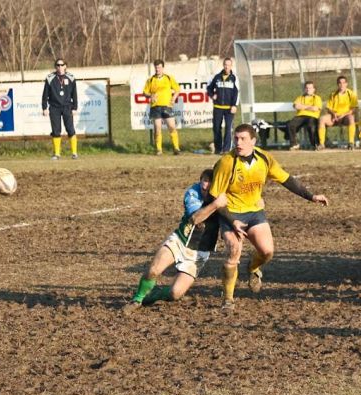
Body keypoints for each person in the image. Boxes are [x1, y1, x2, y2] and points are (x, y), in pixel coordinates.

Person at [209, 124, 329, 311]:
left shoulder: (264, 158)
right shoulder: (226, 162)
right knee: (234, 251)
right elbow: (215, 197)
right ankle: (228, 299)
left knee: (267, 252)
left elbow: (286, 179)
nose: (238, 143)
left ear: (253, 141)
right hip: (231, 213)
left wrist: (311, 196)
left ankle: (252, 267)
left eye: (243, 139)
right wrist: (233, 221)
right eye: (236, 138)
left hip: (254, 211)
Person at [122, 169, 227, 314]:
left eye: (209, 182)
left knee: (175, 294)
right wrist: (216, 205)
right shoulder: (193, 192)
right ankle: (137, 300)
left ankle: (152, 295)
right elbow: (196, 218)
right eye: (204, 180)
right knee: (153, 270)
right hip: (179, 241)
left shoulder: (226, 198)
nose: (205, 185)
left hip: (199, 253)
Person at [42, 58, 78, 160]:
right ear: (55, 67)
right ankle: (57, 154)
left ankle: (74, 153)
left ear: (65, 66)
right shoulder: (50, 78)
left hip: (67, 107)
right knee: (56, 131)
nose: (60, 67)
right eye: (58, 65)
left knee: (70, 130)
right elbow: (45, 95)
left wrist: (75, 107)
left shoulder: (71, 78)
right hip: (54, 108)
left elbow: (74, 94)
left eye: (62, 65)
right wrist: (44, 107)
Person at [143, 59, 181, 155]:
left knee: (172, 127)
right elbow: (145, 92)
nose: (157, 69)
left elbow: (177, 89)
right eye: (156, 68)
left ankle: (176, 148)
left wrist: (173, 98)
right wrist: (150, 96)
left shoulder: (168, 78)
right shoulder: (151, 80)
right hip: (155, 107)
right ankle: (159, 149)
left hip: (167, 106)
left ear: (163, 68)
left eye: (159, 67)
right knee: (157, 128)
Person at [207, 57, 239, 154]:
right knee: (216, 128)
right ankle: (218, 149)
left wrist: (235, 105)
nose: (226, 67)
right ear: (223, 65)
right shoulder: (216, 77)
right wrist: (212, 95)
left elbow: (237, 92)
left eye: (228, 65)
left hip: (229, 108)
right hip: (218, 108)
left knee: (228, 128)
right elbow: (209, 88)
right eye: (225, 65)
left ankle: (226, 150)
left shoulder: (234, 78)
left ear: (231, 66)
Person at [317, 76, 358, 150]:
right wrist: (333, 114)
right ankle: (321, 144)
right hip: (334, 117)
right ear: (337, 84)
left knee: (351, 118)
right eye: (340, 83)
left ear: (346, 84)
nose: (342, 85)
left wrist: (343, 115)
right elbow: (328, 108)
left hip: (345, 117)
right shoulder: (333, 94)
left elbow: (353, 109)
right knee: (322, 119)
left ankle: (351, 143)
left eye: (343, 83)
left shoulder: (351, 94)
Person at [287, 81, 322, 150]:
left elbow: (315, 108)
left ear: (314, 89)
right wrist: (309, 107)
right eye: (307, 88)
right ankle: (294, 144)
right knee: (290, 124)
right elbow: (296, 106)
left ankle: (314, 144)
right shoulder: (300, 97)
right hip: (300, 116)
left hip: (312, 116)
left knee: (311, 126)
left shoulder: (317, 98)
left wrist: (302, 106)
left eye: (310, 88)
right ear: (304, 89)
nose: (308, 89)